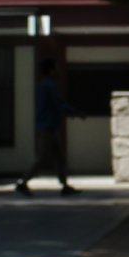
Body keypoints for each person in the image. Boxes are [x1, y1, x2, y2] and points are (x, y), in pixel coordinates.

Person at [15, 56, 76, 195]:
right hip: (47, 127)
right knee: (43, 157)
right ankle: (23, 182)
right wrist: (74, 112)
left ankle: (64, 185)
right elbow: (58, 104)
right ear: (51, 70)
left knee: (59, 156)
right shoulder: (49, 86)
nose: (58, 70)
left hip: (50, 126)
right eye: (56, 67)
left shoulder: (45, 85)